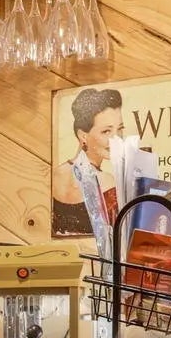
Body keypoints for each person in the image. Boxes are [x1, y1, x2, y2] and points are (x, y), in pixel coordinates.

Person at [51, 86, 124, 238]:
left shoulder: (54, 175)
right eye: (106, 131)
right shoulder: (107, 182)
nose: (116, 139)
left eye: (120, 129)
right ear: (83, 136)